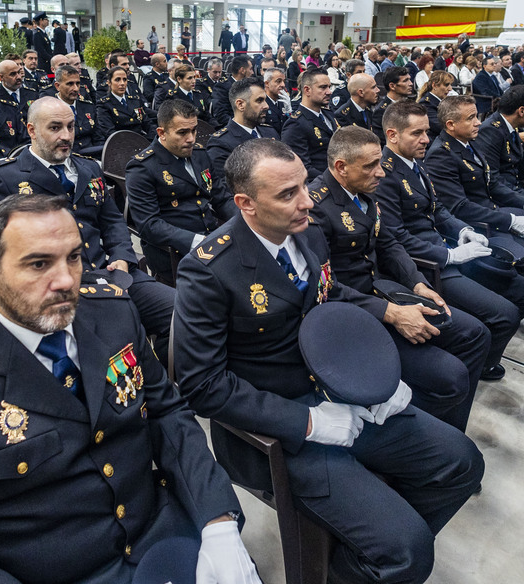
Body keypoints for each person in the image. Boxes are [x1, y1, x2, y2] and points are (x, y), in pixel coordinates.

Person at [0, 194, 259, 584]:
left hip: (161, 533)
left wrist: (217, 521)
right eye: (39, 263)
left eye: (74, 258)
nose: (65, 281)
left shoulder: (112, 313)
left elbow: (167, 414)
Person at [174, 138, 485, 584]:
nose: (306, 202)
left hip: (342, 387)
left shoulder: (307, 230)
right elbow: (202, 385)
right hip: (281, 422)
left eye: (304, 185)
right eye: (287, 194)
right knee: (406, 551)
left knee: (461, 461)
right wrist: (308, 422)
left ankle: (364, 547)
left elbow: (327, 295)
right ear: (246, 203)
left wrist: (373, 371)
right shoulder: (209, 269)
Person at [308, 126, 491, 426]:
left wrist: (418, 282)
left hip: (384, 290)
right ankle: (421, 430)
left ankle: (447, 427)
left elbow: (388, 242)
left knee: (475, 334)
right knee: (452, 376)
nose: (380, 173)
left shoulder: (362, 190)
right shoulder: (317, 206)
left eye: (379, 163)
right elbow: (325, 288)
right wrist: (392, 314)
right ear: (341, 167)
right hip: (354, 311)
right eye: (370, 166)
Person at [0, 97, 176, 359]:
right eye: (55, 128)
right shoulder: (3, 177)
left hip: (110, 273)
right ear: (32, 130)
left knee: (184, 313)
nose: (66, 135)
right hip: (55, 286)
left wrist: (122, 258)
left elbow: (112, 221)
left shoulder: (88, 167)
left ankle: (162, 381)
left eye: (70, 127)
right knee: (104, 340)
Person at [378, 101, 524, 380]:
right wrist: (450, 256)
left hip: (447, 245)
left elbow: (438, 210)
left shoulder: (415, 163)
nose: (426, 139)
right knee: (504, 315)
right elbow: (395, 237)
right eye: (416, 133)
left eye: (426, 131)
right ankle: (477, 366)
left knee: (522, 289)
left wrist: (462, 231)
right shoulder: (384, 174)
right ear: (392, 135)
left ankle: (483, 359)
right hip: (428, 264)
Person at [421, 95, 524, 277]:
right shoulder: (441, 155)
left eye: (476, 116)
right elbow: (460, 207)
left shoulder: (468, 142)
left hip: (497, 212)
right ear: (451, 125)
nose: (477, 123)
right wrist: (510, 221)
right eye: (470, 118)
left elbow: (493, 184)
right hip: (483, 227)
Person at [125, 99, 237, 281]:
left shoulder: (200, 154)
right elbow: (149, 225)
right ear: (162, 133)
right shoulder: (142, 168)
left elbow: (221, 198)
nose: (191, 138)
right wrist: (197, 242)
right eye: (182, 133)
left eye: (194, 130)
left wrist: (244, 219)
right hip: (174, 251)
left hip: (211, 237)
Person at [206, 77, 278, 181]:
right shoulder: (221, 144)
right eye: (259, 101)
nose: (266, 106)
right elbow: (225, 188)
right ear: (240, 105)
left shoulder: (270, 132)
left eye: (265, 100)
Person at [283, 68, 338, 178]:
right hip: (320, 185)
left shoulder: (328, 114)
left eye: (329, 86)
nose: (329, 92)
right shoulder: (296, 124)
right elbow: (301, 168)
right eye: (323, 87)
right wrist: (335, 179)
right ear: (307, 90)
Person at [47, 63, 104, 155]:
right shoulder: (50, 110)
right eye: (70, 84)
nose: (75, 88)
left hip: (93, 155)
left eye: (78, 83)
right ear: (57, 86)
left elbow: (98, 137)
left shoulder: (87, 106)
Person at [97, 66, 154, 139]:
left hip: (141, 140)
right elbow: (109, 132)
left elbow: (148, 123)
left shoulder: (134, 100)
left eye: (125, 79)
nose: (122, 83)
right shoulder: (104, 104)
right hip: (122, 144)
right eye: (117, 80)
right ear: (109, 83)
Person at [211, 56, 253, 124]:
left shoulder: (250, 86)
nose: (252, 72)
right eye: (250, 69)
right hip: (233, 127)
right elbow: (221, 115)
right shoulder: (222, 87)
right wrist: (240, 124)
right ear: (242, 70)